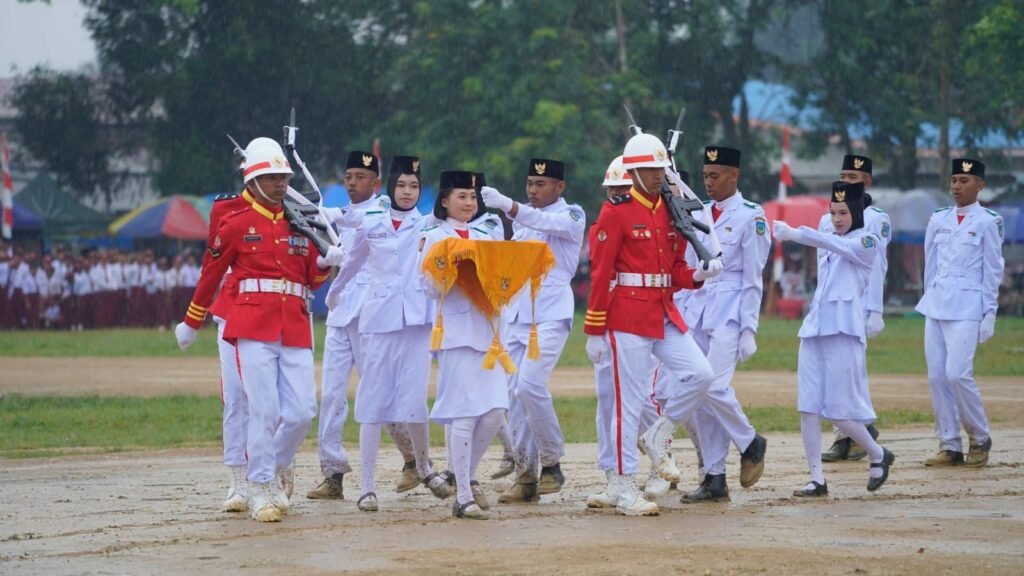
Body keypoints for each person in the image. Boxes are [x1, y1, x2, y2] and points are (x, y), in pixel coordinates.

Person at [174, 137, 339, 522]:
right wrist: (191, 320)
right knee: (255, 407)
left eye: (284, 176)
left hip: (294, 321)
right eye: (273, 176)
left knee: (301, 411)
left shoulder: (299, 220)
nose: (282, 183)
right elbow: (211, 273)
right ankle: (259, 485)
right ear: (253, 180)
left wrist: (330, 262)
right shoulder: (233, 222)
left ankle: (272, 466)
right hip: (247, 321)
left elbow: (311, 275)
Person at [584, 134, 721, 516]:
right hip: (626, 315)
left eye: (661, 168)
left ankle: (659, 434)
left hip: (662, 310)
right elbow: (601, 272)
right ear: (634, 171)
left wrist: (699, 274)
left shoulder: (669, 209)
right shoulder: (617, 211)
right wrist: (595, 328)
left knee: (701, 374)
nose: (658, 174)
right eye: (650, 168)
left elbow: (674, 269)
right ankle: (625, 486)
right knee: (627, 405)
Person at [327, 155, 451, 511]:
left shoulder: (428, 226)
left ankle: (424, 466)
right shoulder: (374, 221)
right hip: (379, 320)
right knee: (373, 401)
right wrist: (335, 291)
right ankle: (367, 488)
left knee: (413, 402)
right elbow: (353, 261)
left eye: (414, 186)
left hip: (415, 322)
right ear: (390, 188)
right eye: (401, 185)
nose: (408, 192)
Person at [308, 150, 418, 500]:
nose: (352, 183)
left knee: (380, 397)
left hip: (374, 316)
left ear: (375, 182)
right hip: (341, 312)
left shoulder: (383, 207)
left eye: (360, 177)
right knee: (331, 396)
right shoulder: (346, 213)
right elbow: (335, 226)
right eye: (348, 177)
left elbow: (349, 216)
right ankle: (333, 471)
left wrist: (325, 214)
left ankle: (413, 457)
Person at [773, 180, 895, 497]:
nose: (837, 218)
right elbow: (828, 246)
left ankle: (878, 454)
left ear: (857, 212)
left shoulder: (867, 242)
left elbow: (836, 245)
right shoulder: (830, 240)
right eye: (834, 212)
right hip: (815, 327)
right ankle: (816, 478)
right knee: (808, 405)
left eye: (843, 212)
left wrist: (794, 233)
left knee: (839, 410)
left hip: (844, 329)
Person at [480, 158, 585, 503]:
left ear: (559, 187)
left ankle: (552, 462)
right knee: (513, 394)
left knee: (530, 385)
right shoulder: (523, 222)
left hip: (551, 312)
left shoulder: (571, 215)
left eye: (541, 185)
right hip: (518, 312)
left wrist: (511, 205)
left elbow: (543, 220)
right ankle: (526, 476)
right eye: (529, 184)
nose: (533, 190)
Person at [672, 146, 769, 503]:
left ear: (734, 176)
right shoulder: (696, 213)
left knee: (712, 387)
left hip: (729, 311)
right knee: (699, 393)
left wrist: (749, 329)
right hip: (696, 308)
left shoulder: (750, 216)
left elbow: (754, 278)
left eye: (715, 176)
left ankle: (750, 441)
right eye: (705, 176)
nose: (708, 182)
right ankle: (715, 477)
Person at [418, 170, 509, 520]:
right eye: (461, 197)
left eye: (472, 197)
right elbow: (427, 288)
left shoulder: (487, 232)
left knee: (496, 412)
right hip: (456, 333)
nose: (469, 203)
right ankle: (464, 497)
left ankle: (461, 476)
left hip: (489, 331)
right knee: (465, 414)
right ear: (444, 201)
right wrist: (454, 267)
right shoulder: (432, 235)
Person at [916, 158, 1004, 468]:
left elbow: (993, 270)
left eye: (964, 181)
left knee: (957, 373)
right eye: (954, 180)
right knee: (937, 376)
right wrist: (928, 299)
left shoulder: (988, 222)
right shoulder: (938, 219)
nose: (956, 186)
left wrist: (989, 312)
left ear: (980, 185)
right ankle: (949, 445)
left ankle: (979, 437)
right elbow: (930, 265)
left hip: (968, 307)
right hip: (937, 304)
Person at [820, 155, 891, 462]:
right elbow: (822, 265)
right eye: (844, 175)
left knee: (851, 372)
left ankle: (857, 433)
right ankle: (850, 434)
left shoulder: (876, 218)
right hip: (830, 303)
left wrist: (875, 310)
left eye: (854, 176)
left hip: (858, 303)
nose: (847, 181)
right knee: (832, 371)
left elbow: (878, 267)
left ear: (867, 181)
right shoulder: (828, 218)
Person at [201, 185, 256, 512]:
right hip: (233, 307)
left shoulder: (290, 207)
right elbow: (214, 262)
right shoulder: (225, 208)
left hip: (275, 312)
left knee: (274, 402)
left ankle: (277, 469)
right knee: (235, 399)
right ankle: (238, 482)